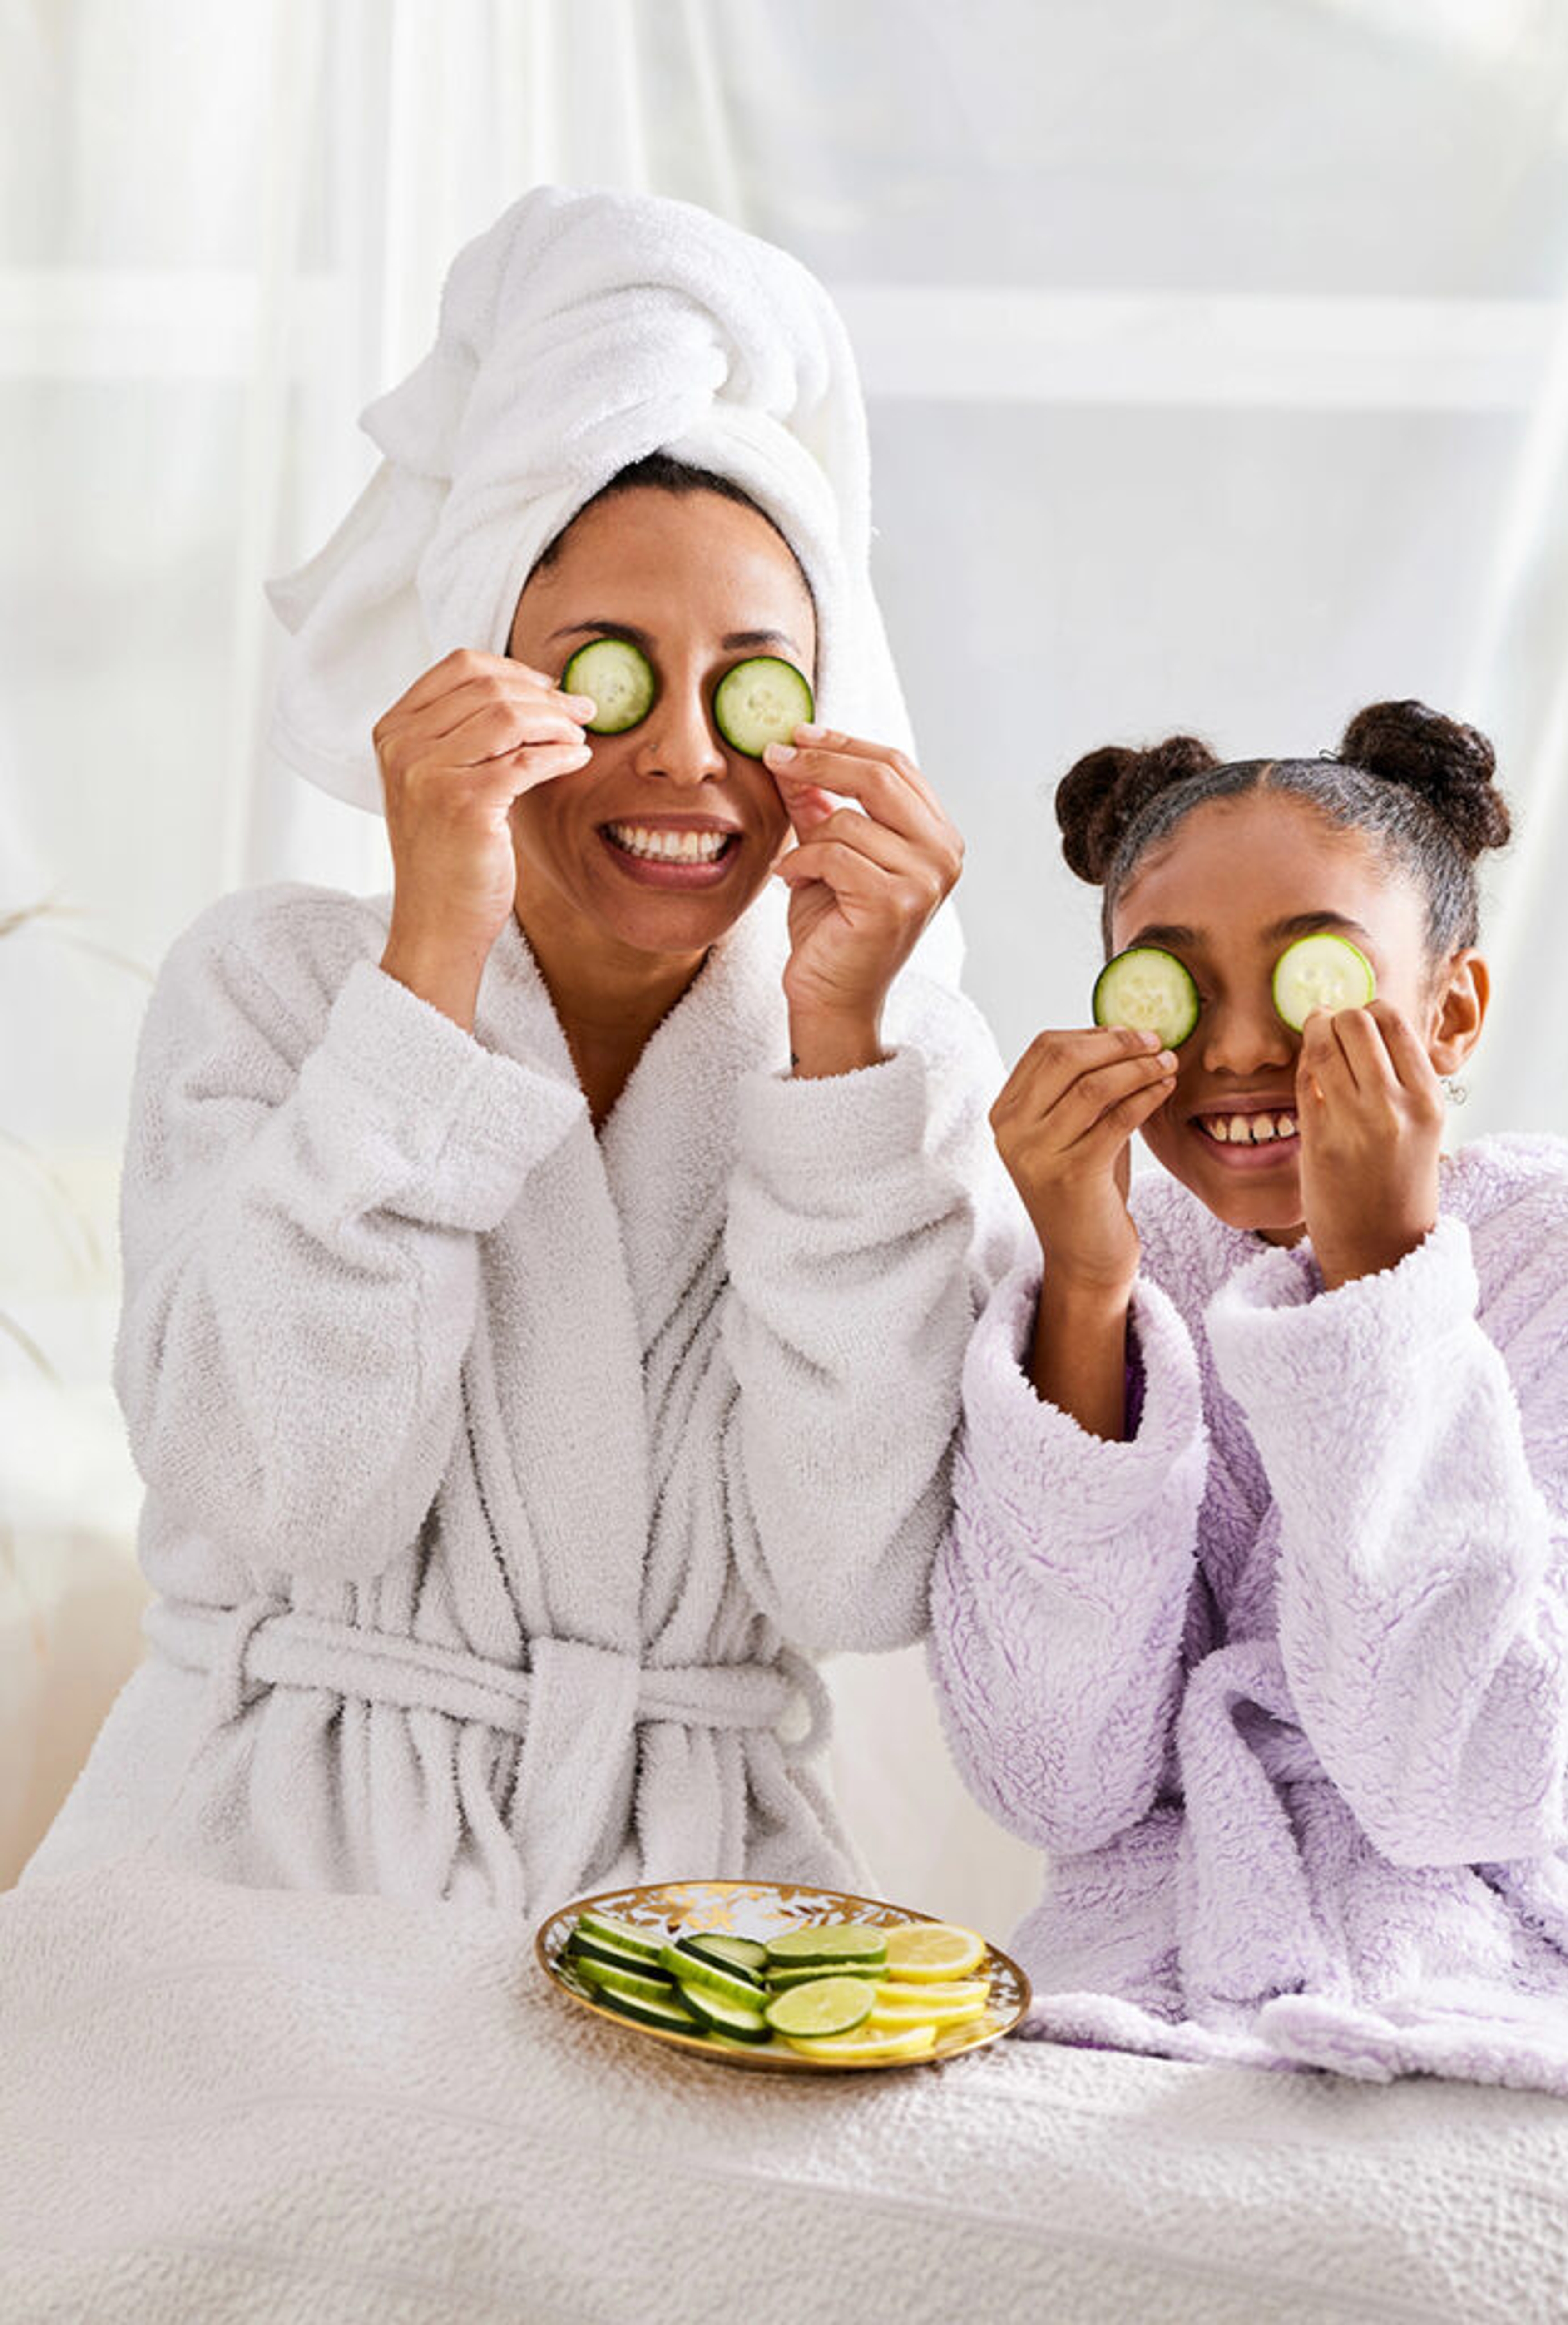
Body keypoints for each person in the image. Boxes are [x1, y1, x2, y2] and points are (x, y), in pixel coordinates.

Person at [27, 186, 1016, 1915]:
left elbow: (858, 1580)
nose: (692, 757)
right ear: (477, 689)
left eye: (759, 684)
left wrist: (847, 1058)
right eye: (609, 677)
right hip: (253, 1869)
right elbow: (277, 1495)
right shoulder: (272, 989)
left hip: (702, 1912)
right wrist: (427, 970)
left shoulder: (883, 1062)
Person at [928, 700, 1568, 2312]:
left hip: (1502, 1956)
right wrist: (1085, 1293)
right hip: (1140, 1965)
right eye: (1177, 982)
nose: (1234, 1047)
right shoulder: (1104, 1265)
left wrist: (1381, 1290)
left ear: (1451, 1015)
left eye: (1306, 976)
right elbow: (1055, 1780)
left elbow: (1473, 1779)